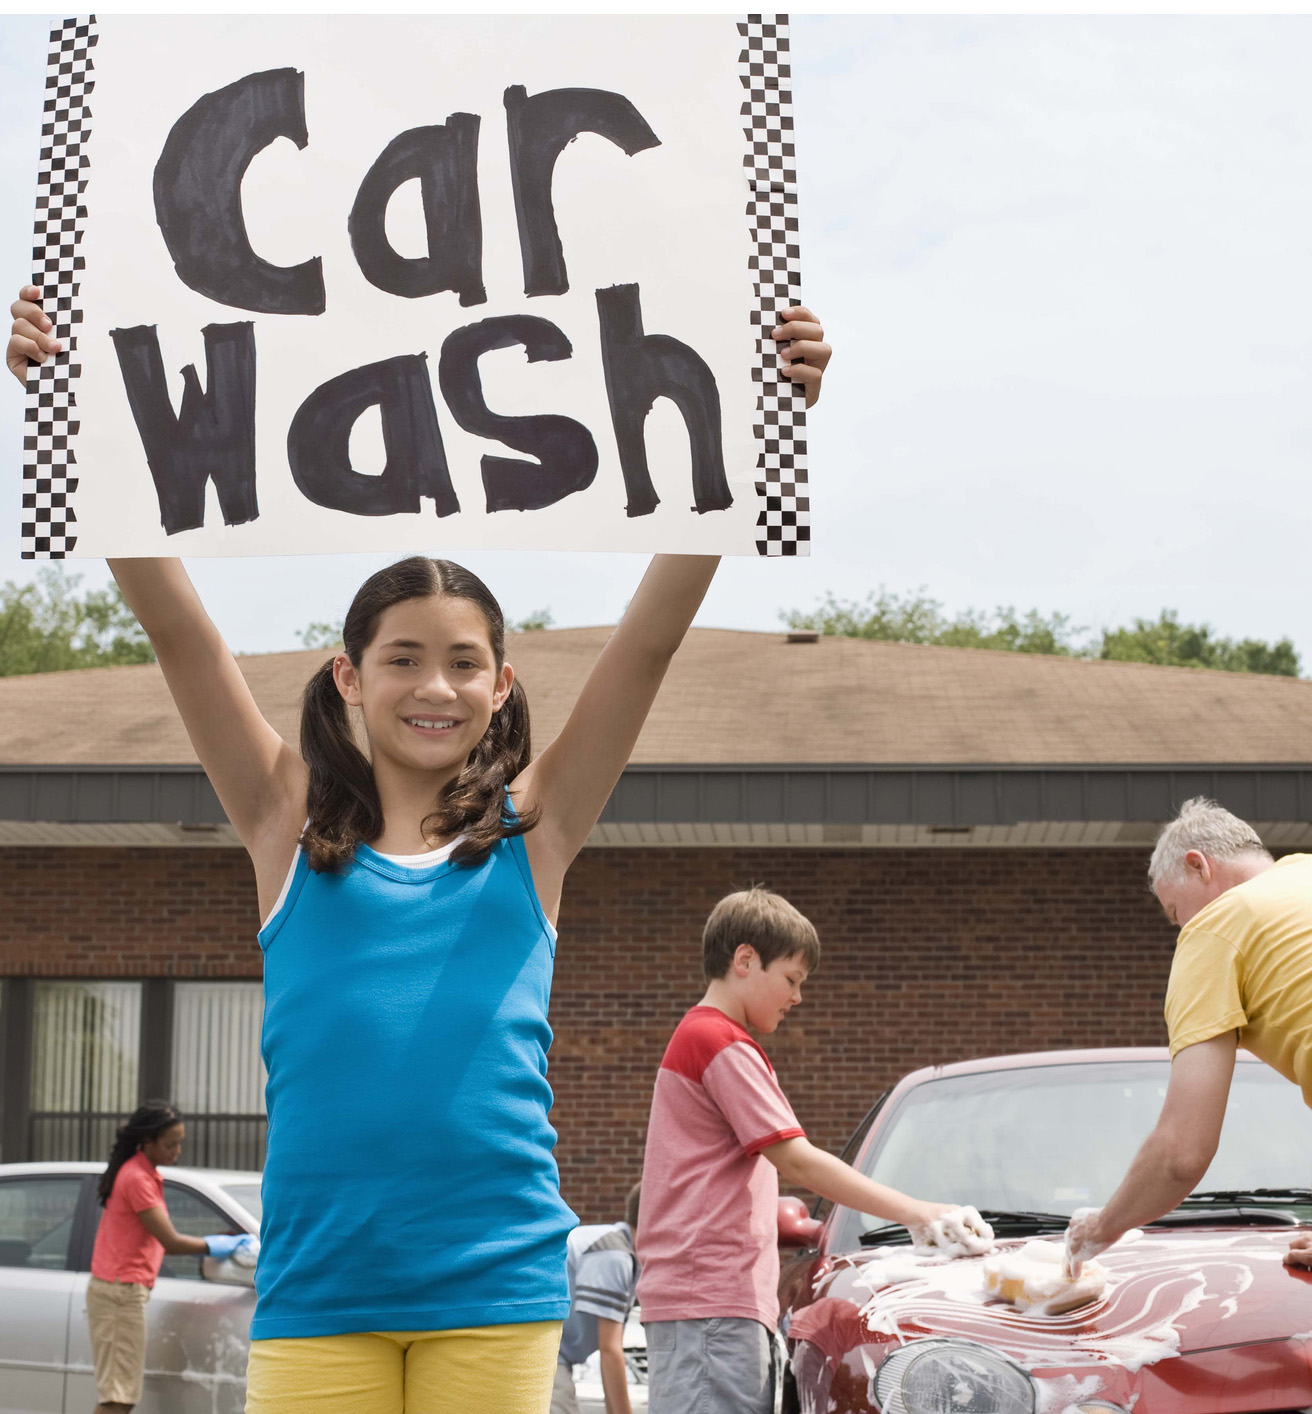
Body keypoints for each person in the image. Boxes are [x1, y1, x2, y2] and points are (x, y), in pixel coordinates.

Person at [8, 284, 831, 1414]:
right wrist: (65, 407)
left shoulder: (532, 832)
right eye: (400, 657)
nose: (432, 685)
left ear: (502, 688)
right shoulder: (281, 820)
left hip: (493, 1288)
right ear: (349, 678)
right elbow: (179, 630)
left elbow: (646, 643)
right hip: (316, 1294)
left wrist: (749, 416)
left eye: (461, 662)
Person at [1064, 797, 1312, 1413]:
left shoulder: (1218, 925)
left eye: (1174, 913)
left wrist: (1102, 1229)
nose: (1180, 928)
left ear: (1199, 866)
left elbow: (1182, 1151)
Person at [637, 887, 978, 1414]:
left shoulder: (705, 1037)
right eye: (792, 979)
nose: (797, 997)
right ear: (745, 960)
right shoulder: (719, 1041)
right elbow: (796, 1158)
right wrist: (920, 1212)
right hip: (709, 1305)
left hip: (705, 1304)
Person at [90, 1101, 254, 1414]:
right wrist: (217, 1245)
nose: (176, 1152)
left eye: (179, 1143)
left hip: (121, 1290)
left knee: (120, 1394)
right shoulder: (137, 1179)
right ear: (148, 1141)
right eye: (170, 1144)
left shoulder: (142, 1173)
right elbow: (171, 1241)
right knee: (118, 1398)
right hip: (119, 1293)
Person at [551, 1184, 641, 1414]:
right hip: (545, 1350)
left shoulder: (622, 1250)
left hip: (554, 1352)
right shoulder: (615, 1255)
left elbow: (609, 1351)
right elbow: (610, 1349)